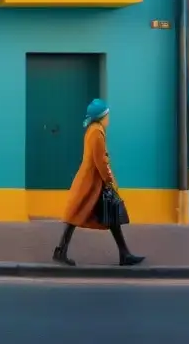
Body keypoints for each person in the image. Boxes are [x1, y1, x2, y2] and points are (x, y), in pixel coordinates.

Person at [53, 98, 144, 267]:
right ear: (101, 116)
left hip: (92, 181)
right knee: (80, 215)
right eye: (107, 114)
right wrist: (110, 181)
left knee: (105, 215)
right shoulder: (96, 132)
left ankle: (124, 254)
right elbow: (101, 161)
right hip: (91, 183)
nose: (109, 117)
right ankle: (61, 251)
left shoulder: (94, 130)